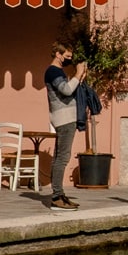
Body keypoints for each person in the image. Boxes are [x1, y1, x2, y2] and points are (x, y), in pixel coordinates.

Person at [44, 41, 86, 209]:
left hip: (64, 117)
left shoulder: (56, 71)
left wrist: (80, 78)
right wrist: (78, 73)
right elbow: (67, 90)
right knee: (63, 157)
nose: (70, 59)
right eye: (67, 56)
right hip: (65, 119)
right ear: (58, 54)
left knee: (58, 157)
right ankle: (56, 196)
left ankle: (59, 194)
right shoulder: (53, 71)